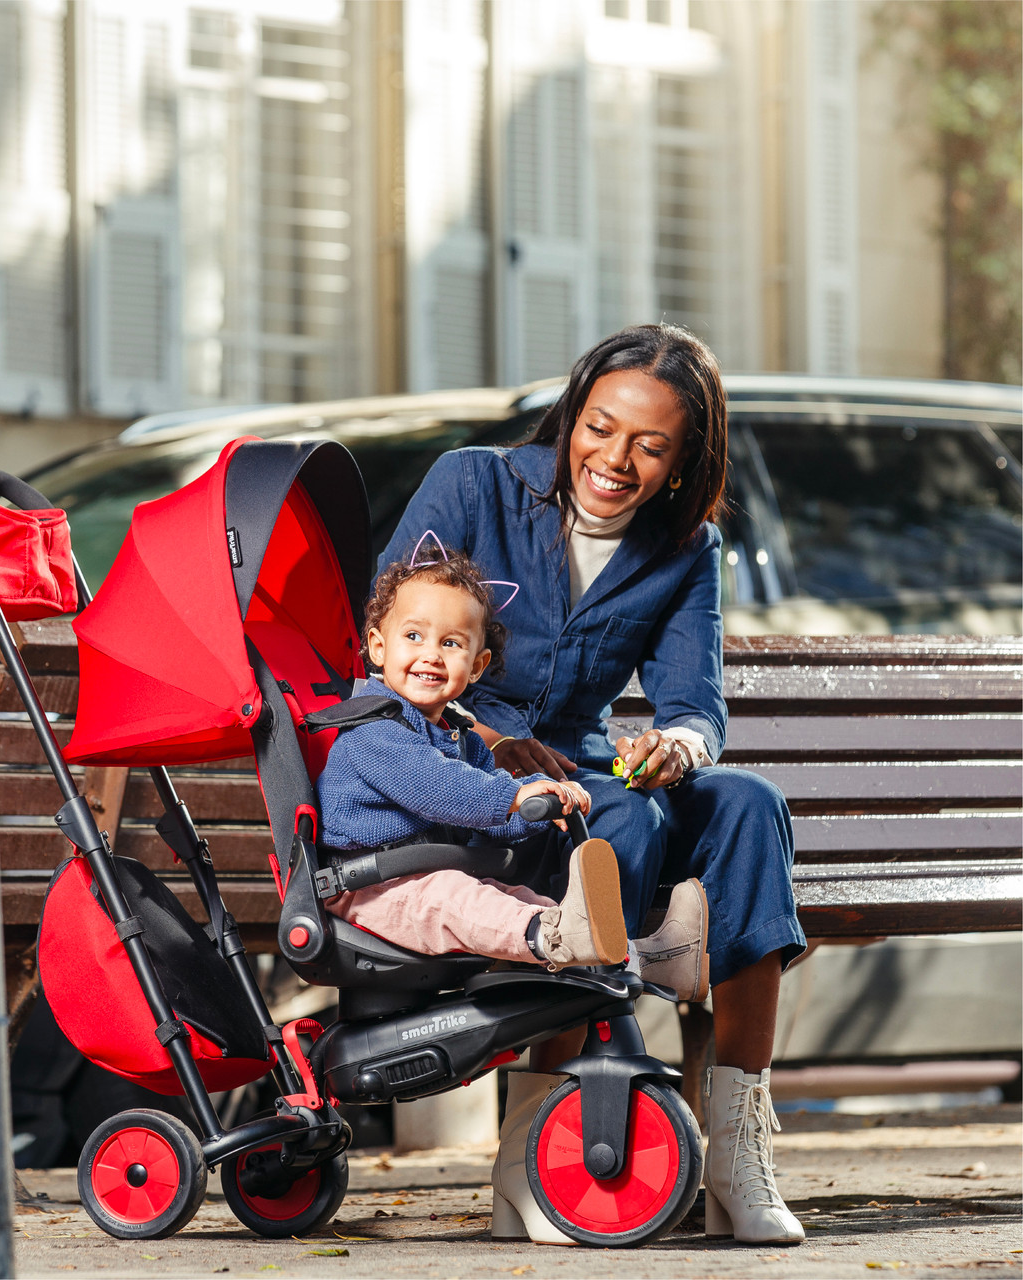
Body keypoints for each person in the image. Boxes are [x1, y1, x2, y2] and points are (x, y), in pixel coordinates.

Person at [377, 323, 807, 1246]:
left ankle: (737, 1155)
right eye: (600, 428)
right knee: (621, 815)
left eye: (650, 445)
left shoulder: (686, 548)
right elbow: (388, 644)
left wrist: (678, 748)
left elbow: (696, 705)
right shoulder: (473, 484)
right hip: (459, 771)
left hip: (581, 769)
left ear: (685, 461)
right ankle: (530, 1155)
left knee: (748, 806)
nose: (614, 459)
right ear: (573, 416)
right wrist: (490, 736)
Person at [316, 545, 628, 970]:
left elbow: (490, 818)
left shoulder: (461, 738)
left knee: (516, 899)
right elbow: (438, 787)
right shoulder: (372, 731)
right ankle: (558, 936)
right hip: (367, 888)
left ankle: (631, 956)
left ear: (477, 666)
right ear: (378, 647)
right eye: (413, 636)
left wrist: (540, 805)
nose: (431, 654)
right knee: (459, 899)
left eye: (450, 643)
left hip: (423, 877)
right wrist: (514, 796)